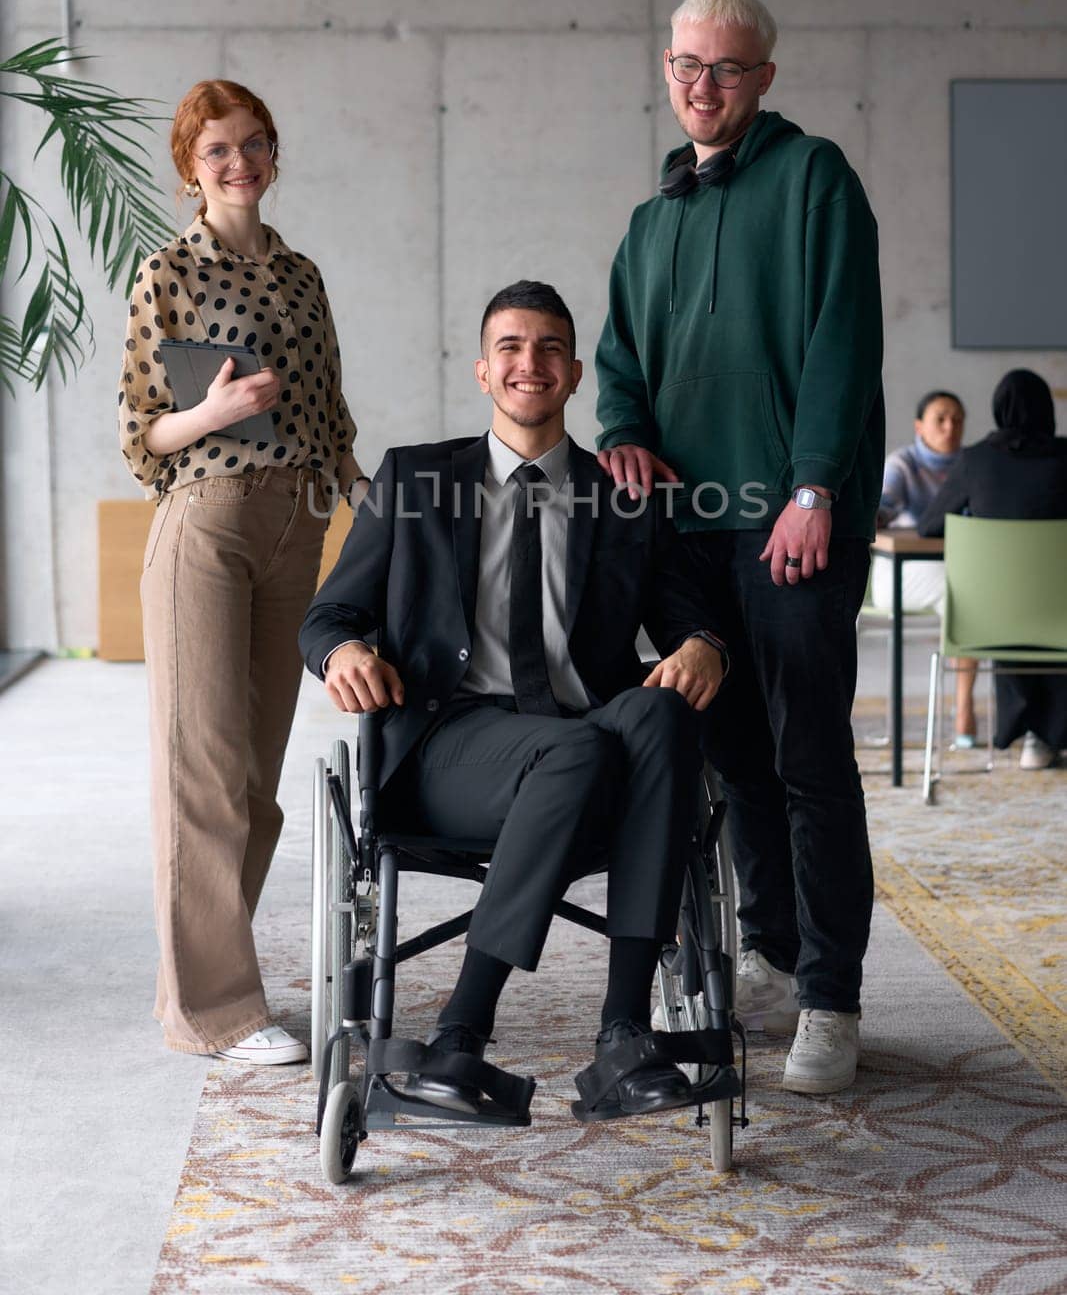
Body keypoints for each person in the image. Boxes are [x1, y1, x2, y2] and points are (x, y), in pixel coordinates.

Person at [299, 280, 728, 1117]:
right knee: (581, 747)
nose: (529, 363)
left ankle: (622, 1036)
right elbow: (330, 614)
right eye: (511, 348)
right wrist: (343, 649)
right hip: (450, 747)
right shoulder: (415, 478)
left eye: (549, 350)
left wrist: (703, 647)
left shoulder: (623, 496)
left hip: (587, 737)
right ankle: (462, 1032)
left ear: (573, 377)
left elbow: (691, 619)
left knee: (657, 713)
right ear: (482, 373)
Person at [595, 0, 884, 1096]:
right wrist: (620, 433)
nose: (698, 87)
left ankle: (832, 995)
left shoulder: (813, 179)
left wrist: (814, 487)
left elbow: (840, 343)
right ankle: (768, 949)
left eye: (721, 69)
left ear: (762, 77)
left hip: (788, 525)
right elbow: (619, 357)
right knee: (731, 758)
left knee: (807, 754)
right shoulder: (650, 218)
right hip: (689, 537)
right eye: (682, 66)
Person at [119, 79, 366, 1064]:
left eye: (254, 142)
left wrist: (371, 495)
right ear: (190, 168)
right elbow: (142, 435)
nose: (239, 161)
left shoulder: (301, 275)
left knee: (256, 779)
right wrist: (213, 414)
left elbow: (332, 411)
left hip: (296, 522)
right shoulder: (166, 272)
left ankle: (202, 977)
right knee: (205, 773)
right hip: (206, 524)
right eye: (217, 149)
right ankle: (214, 1009)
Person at [919, 368, 1067, 770]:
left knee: (1013, 607)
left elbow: (930, 526)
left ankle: (1030, 733)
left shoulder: (976, 459)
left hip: (990, 619)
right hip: (1062, 611)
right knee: (1048, 606)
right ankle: (1047, 734)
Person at [873, 389, 978, 746]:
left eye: (958, 420)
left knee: (966, 592)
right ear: (920, 426)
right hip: (902, 573)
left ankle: (963, 705)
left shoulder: (973, 464)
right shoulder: (902, 464)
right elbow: (885, 504)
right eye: (941, 419)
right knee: (969, 593)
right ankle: (964, 709)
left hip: (952, 573)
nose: (951, 427)